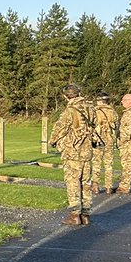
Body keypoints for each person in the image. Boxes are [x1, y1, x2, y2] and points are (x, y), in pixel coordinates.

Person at [49, 82, 96, 226]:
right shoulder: (90, 108)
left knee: (72, 181)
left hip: (72, 151)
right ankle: (86, 214)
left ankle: (75, 214)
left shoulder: (69, 111)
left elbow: (60, 128)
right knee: (85, 182)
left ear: (65, 96)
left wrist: (52, 141)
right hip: (87, 150)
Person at [91, 93, 119, 195]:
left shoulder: (95, 111)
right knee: (108, 164)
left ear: (99, 101)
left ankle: (95, 186)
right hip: (109, 141)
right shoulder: (113, 112)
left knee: (96, 164)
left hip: (98, 140)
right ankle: (109, 187)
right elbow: (116, 126)